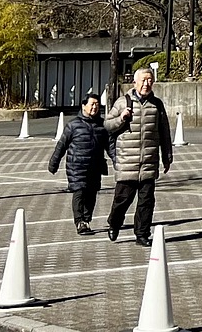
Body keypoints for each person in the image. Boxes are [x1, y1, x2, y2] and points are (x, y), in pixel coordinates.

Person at [103, 65, 174, 245]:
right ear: (135, 82)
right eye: (143, 80)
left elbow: (164, 131)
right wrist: (121, 118)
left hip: (149, 161)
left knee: (146, 202)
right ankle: (114, 223)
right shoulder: (122, 102)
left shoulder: (157, 104)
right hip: (128, 161)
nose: (147, 84)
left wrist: (167, 156)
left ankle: (142, 234)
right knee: (122, 199)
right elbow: (107, 125)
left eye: (150, 80)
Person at [47, 92, 111, 235]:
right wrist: (54, 163)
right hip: (77, 167)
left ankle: (87, 220)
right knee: (79, 192)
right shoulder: (73, 125)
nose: (95, 107)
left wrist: (118, 160)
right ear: (83, 106)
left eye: (97, 104)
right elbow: (61, 145)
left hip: (95, 166)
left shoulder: (102, 126)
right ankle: (80, 221)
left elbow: (110, 146)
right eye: (92, 104)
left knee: (92, 194)